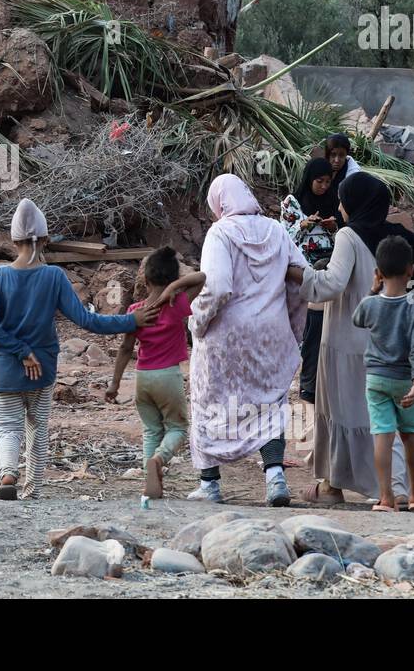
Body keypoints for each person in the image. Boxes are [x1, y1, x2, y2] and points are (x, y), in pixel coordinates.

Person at [0, 198, 161, 500]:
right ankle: (33, 491)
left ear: (13, 240)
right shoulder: (53, 277)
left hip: (6, 370)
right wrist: (131, 321)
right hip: (44, 369)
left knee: (6, 426)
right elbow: (86, 320)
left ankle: (8, 473)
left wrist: (21, 351)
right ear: (46, 239)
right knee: (37, 429)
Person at [294, 172, 414, 507]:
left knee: (343, 415)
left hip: (347, 342)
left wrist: (299, 274)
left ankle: (332, 486)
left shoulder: (349, 235)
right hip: (392, 349)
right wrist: (408, 292)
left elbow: (331, 284)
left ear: (354, 202)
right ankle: (395, 489)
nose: (338, 206)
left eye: (342, 200)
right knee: (388, 422)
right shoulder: (400, 236)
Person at [187, 174, 308, 506]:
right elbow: (301, 277)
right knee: (269, 403)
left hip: (226, 335)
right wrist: (292, 324)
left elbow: (219, 286)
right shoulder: (277, 230)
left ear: (220, 202)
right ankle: (275, 477)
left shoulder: (220, 233)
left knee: (209, 399)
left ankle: (210, 485)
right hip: (270, 333)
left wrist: (196, 320)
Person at [106, 247, 207, 499]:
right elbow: (202, 277)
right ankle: (159, 460)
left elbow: (125, 348)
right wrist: (175, 287)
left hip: (142, 378)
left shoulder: (135, 311)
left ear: (145, 280)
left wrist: (114, 384)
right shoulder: (176, 304)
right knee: (178, 428)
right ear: (172, 278)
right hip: (168, 377)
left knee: (151, 429)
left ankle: (149, 482)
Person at [352, 235, 414, 513]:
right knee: (411, 436)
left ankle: (385, 499)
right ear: (411, 269)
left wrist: (373, 290)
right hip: (405, 381)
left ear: (378, 273)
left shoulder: (370, 305)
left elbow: (356, 319)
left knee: (382, 437)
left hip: (375, 380)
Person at [280, 157, 337, 405]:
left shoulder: (333, 200)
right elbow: (284, 234)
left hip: (328, 266)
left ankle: (318, 375)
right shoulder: (291, 202)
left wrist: (332, 225)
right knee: (306, 321)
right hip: (302, 269)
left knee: (323, 321)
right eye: (319, 181)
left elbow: (341, 230)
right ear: (309, 179)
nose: (323, 186)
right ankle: (302, 375)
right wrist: (304, 223)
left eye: (327, 182)